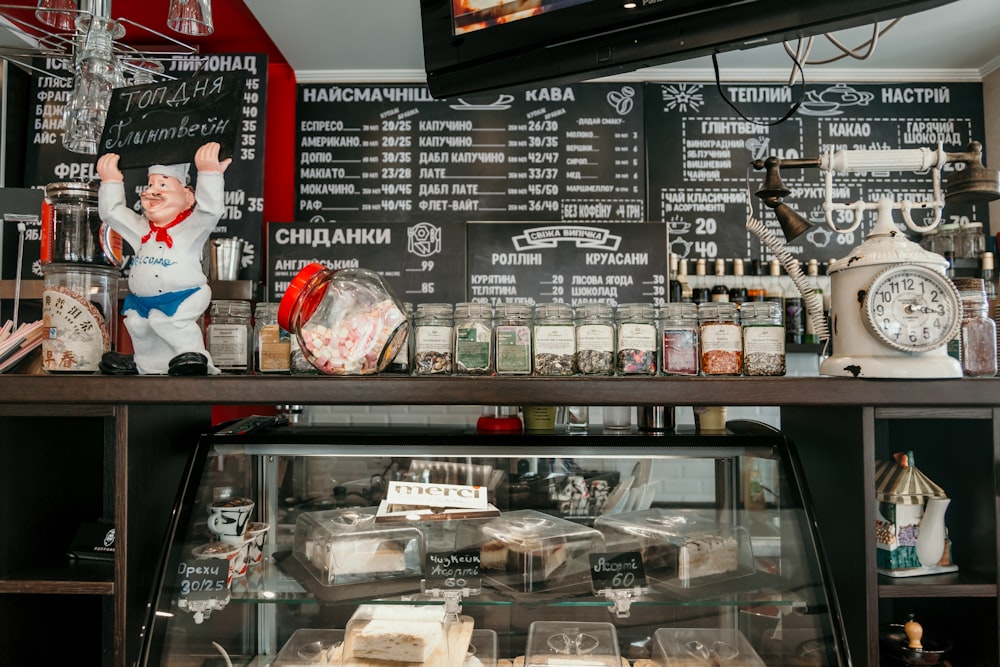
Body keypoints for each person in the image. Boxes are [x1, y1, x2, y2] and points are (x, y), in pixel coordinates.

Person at [97, 142, 232, 375]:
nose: (152, 191)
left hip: (184, 296)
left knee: (168, 323)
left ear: (188, 197)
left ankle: (194, 358)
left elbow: (210, 211)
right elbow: (112, 213)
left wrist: (209, 174)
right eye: (150, 184)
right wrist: (111, 181)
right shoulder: (141, 230)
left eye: (163, 185)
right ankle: (146, 364)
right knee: (139, 325)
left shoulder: (189, 229)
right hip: (143, 301)